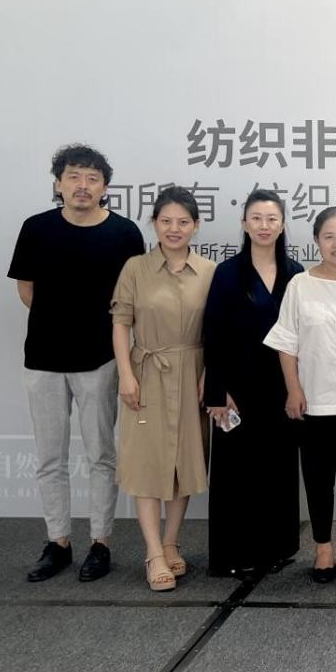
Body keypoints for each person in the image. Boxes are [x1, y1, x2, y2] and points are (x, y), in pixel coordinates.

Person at [8, 144, 145, 583]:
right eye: (73, 176)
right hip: (43, 359)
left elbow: (132, 299)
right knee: (50, 457)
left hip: (101, 360)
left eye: (92, 178)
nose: (82, 185)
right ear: (58, 183)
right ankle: (59, 542)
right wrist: (57, 322)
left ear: (105, 187)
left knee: (102, 454)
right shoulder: (36, 228)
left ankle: (100, 542)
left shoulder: (124, 233)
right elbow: (26, 288)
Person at [265, 207, 336, 583]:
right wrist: (293, 388)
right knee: (317, 479)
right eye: (329, 236)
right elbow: (286, 342)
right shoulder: (300, 284)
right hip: (314, 400)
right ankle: (323, 548)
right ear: (317, 241)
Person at [111, 187, 216, 592]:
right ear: (154, 223)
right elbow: (121, 323)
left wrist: (210, 372)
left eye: (183, 222)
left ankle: (171, 541)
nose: (175, 229)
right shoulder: (136, 268)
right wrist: (126, 374)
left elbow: (217, 328)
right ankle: (153, 552)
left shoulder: (209, 271)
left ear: (196, 225)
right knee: (146, 462)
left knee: (183, 462)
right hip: (147, 372)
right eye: (166, 221)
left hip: (193, 373)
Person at [202, 189, 303, 578]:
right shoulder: (227, 273)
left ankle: (276, 548)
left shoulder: (296, 272)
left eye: (271, 218)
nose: (264, 225)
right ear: (244, 223)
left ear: (282, 224)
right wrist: (217, 391)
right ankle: (233, 554)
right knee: (236, 473)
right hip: (237, 389)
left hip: (283, 385)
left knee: (278, 469)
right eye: (256, 218)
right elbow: (213, 334)